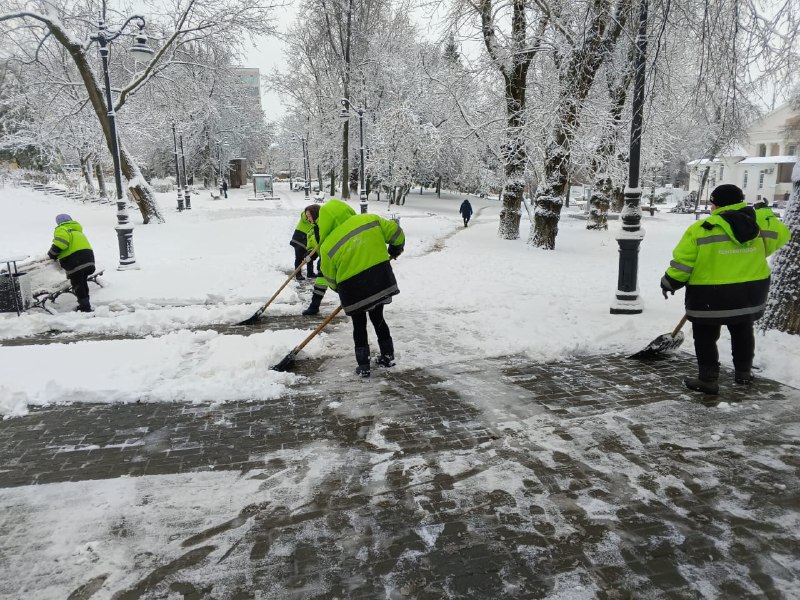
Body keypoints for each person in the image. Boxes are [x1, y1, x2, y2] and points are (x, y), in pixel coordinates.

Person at [660, 184, 790, 394]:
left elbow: (684, 264)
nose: (711, 207)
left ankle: (708, 380)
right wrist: (765, 212)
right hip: (750, 293)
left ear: (716, 204)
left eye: (712, 203)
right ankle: (744, 374)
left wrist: (669, 282)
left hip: (710, 294)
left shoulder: (703, 228)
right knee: (742, 330)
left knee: (705, 334)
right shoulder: (757, 226)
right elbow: (781, 235)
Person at [310, 199, 405, 377]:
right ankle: (388, 355)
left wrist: (343, 290)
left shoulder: (327, 246)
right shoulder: (369, 220)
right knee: (378, 318)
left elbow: (330, 278)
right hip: (380, 280)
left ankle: (363, 366)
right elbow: (397, 233)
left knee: (359, 325)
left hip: (352, 290)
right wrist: (395, 250)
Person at [47, 214, 96, 312]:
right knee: (82, 283)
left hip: (75, 261)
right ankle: (85, 305)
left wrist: (52, 254)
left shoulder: (62, 229)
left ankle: (85, 308)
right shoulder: (77, 231)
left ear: (59, 222)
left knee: (78, 285)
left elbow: (61, 243)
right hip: (88, 259)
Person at [301, 204, 328, 316]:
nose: (307, 219)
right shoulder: (313, 229)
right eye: (306, 217)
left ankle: (314, 307)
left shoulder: (324, 226)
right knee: (320, 282)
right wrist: (310, 254)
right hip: (324, 259)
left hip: (332, 258)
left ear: (315, 214)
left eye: (309, 216)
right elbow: (315, 247)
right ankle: (314, 307)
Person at [289, 207, 318, 281]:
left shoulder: (315, 220)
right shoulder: (305, 217)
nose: (309, 218)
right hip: (299, 238)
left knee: (310, 256)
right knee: (299, 258)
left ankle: (310, 273)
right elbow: (304, 216)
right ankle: (298, 275)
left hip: (308, 240)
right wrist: (308, 214)